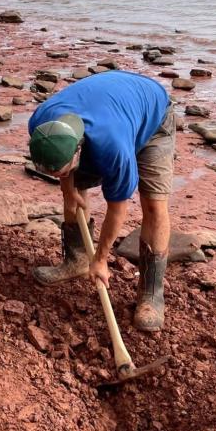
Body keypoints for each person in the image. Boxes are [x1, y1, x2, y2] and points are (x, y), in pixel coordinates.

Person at [27, 71, 176, 332]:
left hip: (153, 118)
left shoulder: (112, 148)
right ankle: (76, 261)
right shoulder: (41, 125)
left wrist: (102, 258)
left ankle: (151, 294)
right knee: (74, 193)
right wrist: (68, 189)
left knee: (153, 203)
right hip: (111, 106)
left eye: (62, 170)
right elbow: (65, 171)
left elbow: (117, 209)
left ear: (79, 148)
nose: (59, 177)